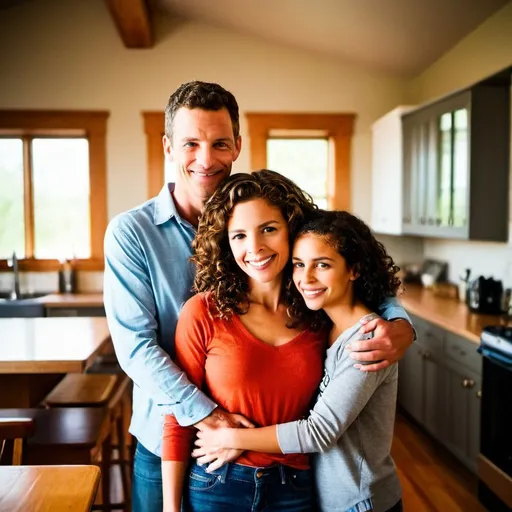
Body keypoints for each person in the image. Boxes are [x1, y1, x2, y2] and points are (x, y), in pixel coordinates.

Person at [103, 81, 415, 512]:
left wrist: (399, 322)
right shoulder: (131, 233)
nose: (206, 158)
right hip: (173, 447)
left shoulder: (277, 219)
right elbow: (136, 348)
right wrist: (210, 418)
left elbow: (343, 261)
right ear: (168, 147)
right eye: (190, 143)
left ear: (237, 146)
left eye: (219, 143)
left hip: (290, 470)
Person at [161, 172, 409, 512]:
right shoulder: (203, 312)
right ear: (225, 243)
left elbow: (370, 299)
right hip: (218, 483)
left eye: (268, 229)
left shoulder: (318, 314)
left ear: (290, 230)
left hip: (296, 486)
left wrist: (402, 325)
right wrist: (170, 509)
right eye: (239, 236)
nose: (255, 248)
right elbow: (178, 417)